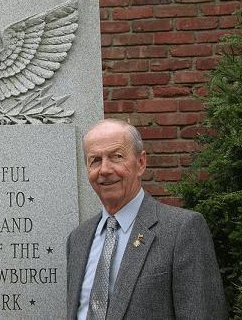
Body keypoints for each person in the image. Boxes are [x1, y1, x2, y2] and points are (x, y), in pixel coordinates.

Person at [67, 119, 227, 319]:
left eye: (116, 157)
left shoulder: (182, 230)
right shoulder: (78, 239)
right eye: (95, 160)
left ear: (141, 163)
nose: (105, 169)